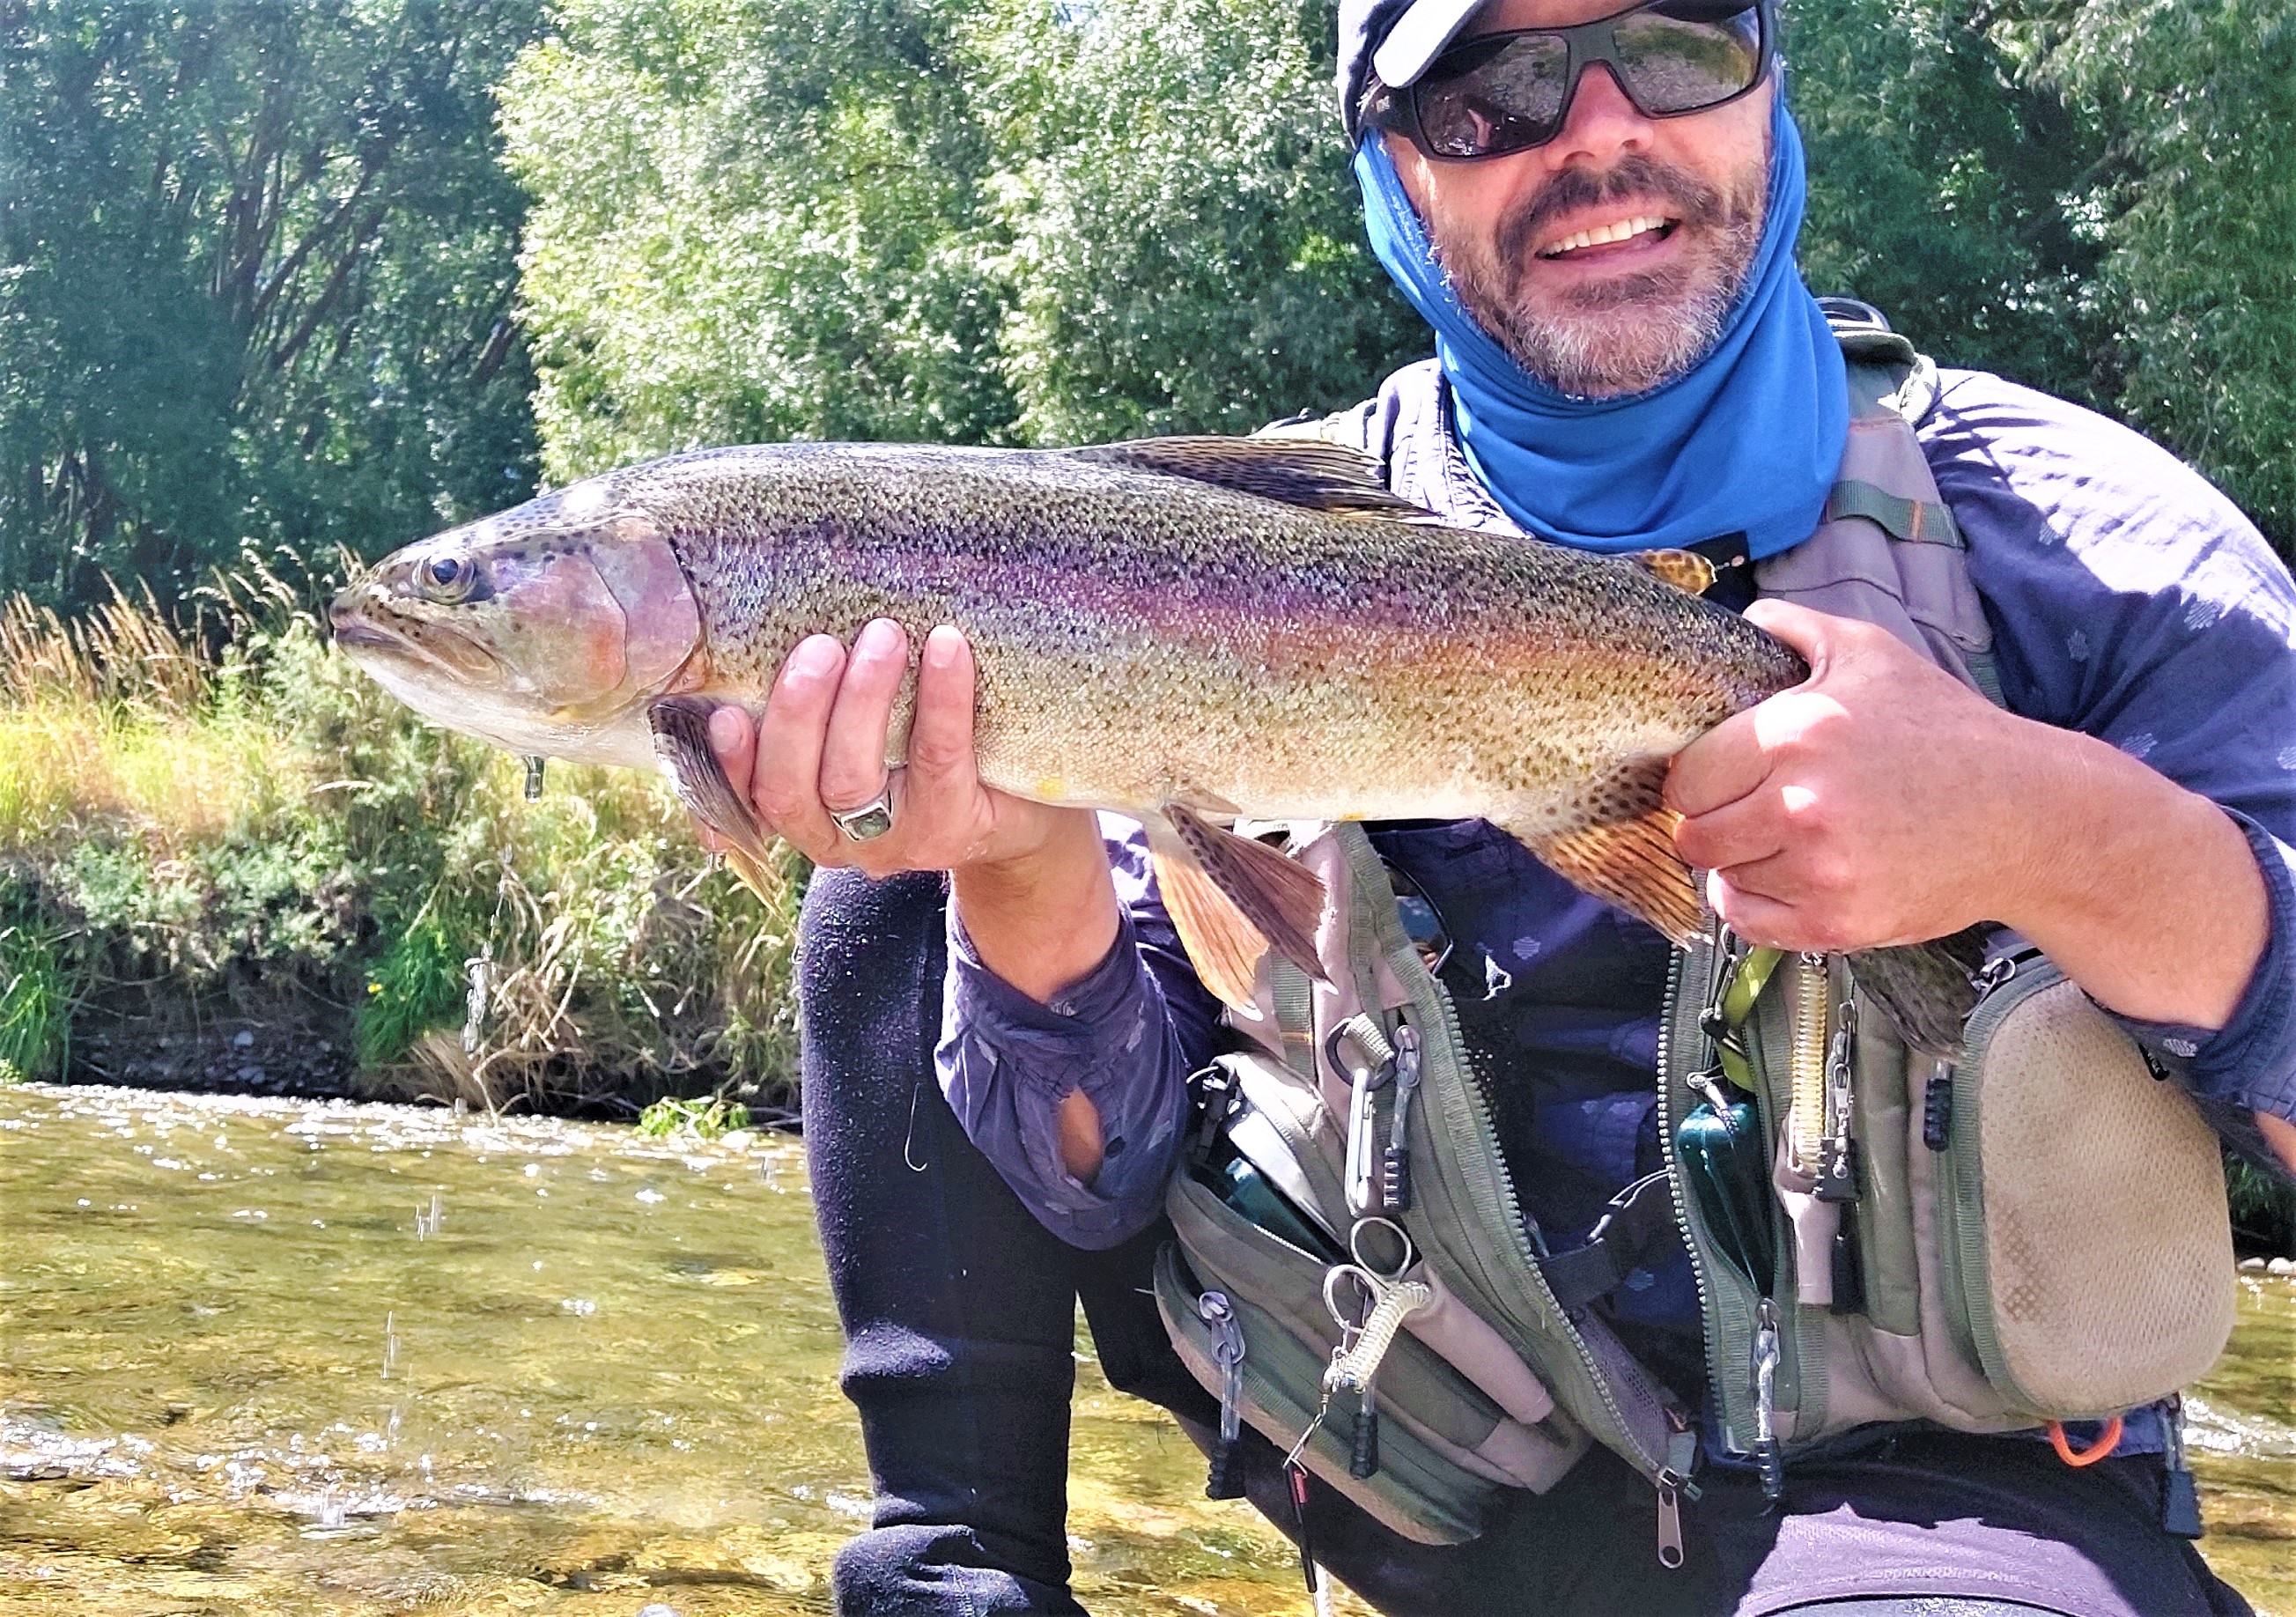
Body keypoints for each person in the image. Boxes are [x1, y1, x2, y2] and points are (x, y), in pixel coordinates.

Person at [695, 1, 2296, 1611]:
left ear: (1767, 86)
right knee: (911, 840)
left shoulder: (2088, 552)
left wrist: (2062, 831)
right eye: (1494, 90)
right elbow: (1098, 1184)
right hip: (1423, 1477)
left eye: (1671, 46)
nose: (1599, 129)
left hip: (1938, 1512)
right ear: (1392, 165)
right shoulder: (1185, 577)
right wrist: (1018, 866)